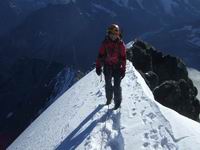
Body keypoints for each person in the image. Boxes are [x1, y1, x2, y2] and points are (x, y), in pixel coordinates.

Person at [95, 24, 126, 110]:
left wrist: (123, 69)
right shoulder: (105, 44)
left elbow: (123, 58)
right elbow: (100, 56)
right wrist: (98, 67)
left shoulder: (121, 44)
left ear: (118, 34)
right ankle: (109, 99)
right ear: (108, 33)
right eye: (112, 34)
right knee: (108, 84)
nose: (113, 36)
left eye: (115, 34)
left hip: (117, 67)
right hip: (107, 67)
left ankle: (117, 103)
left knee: (117, 86)